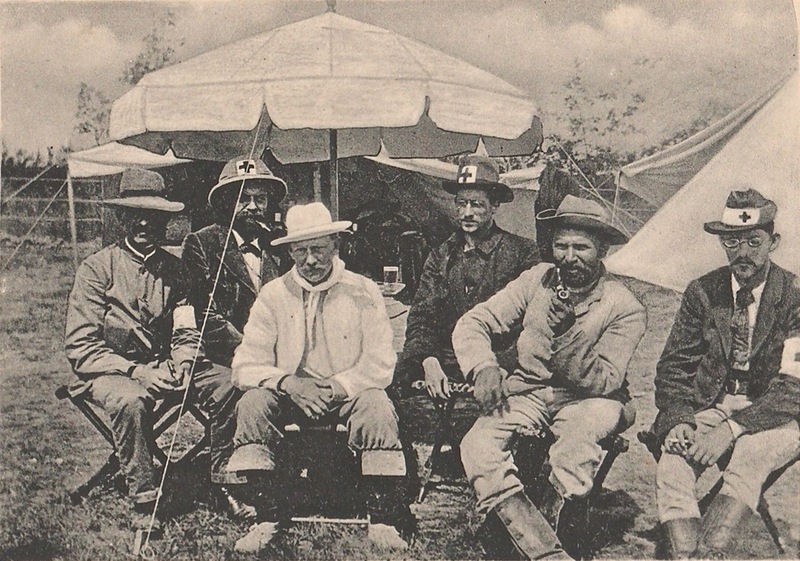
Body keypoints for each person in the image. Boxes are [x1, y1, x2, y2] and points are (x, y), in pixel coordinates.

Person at [452, 195, 646, 559]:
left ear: (602, 249)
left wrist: (568, 333)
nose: (569, 257)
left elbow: (604, 380)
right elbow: (474, 322)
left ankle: (537, 539)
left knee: (575, 450)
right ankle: (546, 552)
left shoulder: (625, 306)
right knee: (477, 445)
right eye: (561, 245)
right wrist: (484, 366)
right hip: (529, 394)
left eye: (581, 247)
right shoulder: (535, 281)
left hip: (592, 401)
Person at [224, 202, 416, 553]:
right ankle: (267, 516)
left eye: (319, 249)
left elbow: (380, 361)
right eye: (301, 250)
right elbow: (245, 363)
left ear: (336, 247)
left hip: (348, 395)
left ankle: (383, 520)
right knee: (252, 403)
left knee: (377, 405)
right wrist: (288, 384)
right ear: (290, 252)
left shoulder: (362, 291)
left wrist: (338, 386)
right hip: (292, 397)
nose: (310, 260)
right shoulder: (274, 294)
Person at [64, 169, 243, 530]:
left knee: (230, 384)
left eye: (155, 215)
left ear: (166, 220)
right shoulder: (97, 269)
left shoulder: (177, 270)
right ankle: (145, 503)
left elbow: (186, 327)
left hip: (168, 365)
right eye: (135, 214)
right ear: (121, 218)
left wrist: (185, 360)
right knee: (132, 401)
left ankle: (226, 481)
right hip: (113, 371)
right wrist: (137, 371)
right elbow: (81, 345)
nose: (144, 222)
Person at [653, 188, 800, 559]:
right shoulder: (704, 291)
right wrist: (679, 420)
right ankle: (690, 556)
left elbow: (794, 386)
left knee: (748, 455)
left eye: (754, 241)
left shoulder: (796, 294)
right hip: (712, 406)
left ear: (773, 241)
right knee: (673, 463)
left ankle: (708, 554)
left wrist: (732, 429)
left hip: (778, 415)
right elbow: (674, 366)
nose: (744, 253)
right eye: (732, 242)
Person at [396, 154, 539, 401]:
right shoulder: (440, 255)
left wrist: (494, 367)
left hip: (500, 365)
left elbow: (532, 325)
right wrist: (429, 362)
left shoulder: (521, 253)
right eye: (462, 204)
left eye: (477, 204)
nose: (467, 213)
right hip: (445, 365)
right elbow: (422, 317)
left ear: (494, 206)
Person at [182, 156, 290, 367]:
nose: (252, 207)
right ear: (226, 202)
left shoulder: (280, 246)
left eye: (260, 199)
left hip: (280, 357)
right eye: (243, 199)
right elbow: (202, 312)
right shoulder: (202, 243)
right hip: (225, 360)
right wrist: (251, 352)